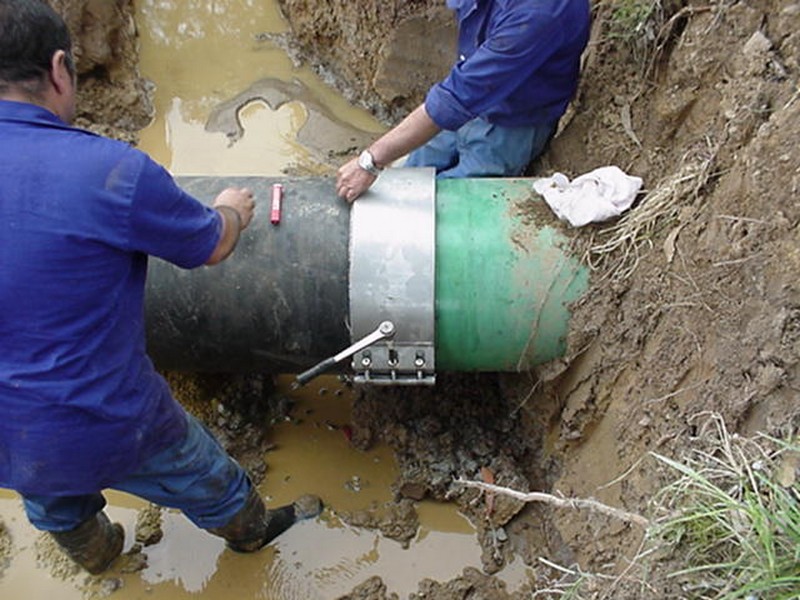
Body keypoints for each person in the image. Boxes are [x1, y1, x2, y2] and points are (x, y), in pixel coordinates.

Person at [0, 0, 321, 575]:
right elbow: (210, 246)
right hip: (106, 414)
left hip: (11, 436)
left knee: (50, 497)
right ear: (58, 69)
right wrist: (231, 210)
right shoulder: (108, 171)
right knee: (206, 476)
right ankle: (251, 534)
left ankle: (98, 555)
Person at [336, 0, 591, 202]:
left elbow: (456, 97)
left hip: (512, 125)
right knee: (407, 177)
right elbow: (457, 96)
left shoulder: (539, 14)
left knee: (447, 204)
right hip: (467, 100)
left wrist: (370, 161)